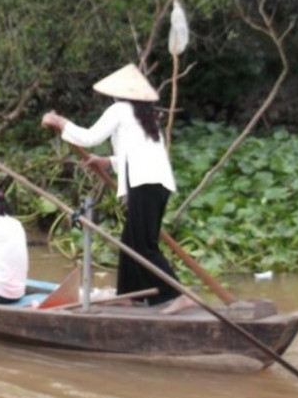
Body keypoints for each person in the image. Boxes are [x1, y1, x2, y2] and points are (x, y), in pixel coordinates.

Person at [40, 63, 194, 314]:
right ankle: (128, 295)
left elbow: (89, 138)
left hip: (145, 183)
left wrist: (59, 121)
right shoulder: (145, 115)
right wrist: (107, 162)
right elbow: (136, 152)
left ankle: (176, 294)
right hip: (154, 184)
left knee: (144, 245)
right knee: (130, 241)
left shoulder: (120, 110)